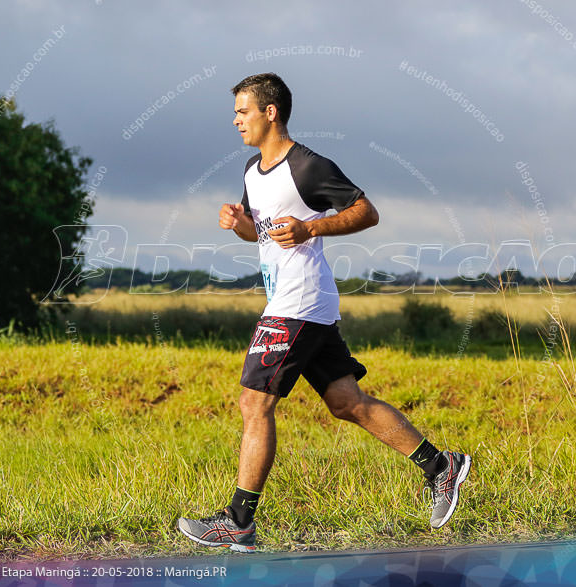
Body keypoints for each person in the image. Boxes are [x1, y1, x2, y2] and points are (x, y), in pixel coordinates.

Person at [177, 73, 471, 553]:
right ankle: (442, 467)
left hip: (300, 300)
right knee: (345, 401)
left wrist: (313, 229)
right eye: (234, 112)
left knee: (255, 402)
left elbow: (366, 211)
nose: (235, 121)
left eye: (242, 111)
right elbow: (264, 234)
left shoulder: (308, 166)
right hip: (295, 301)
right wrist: (240, 225)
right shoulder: (253, 170)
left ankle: (238, 520)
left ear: (270, 112)